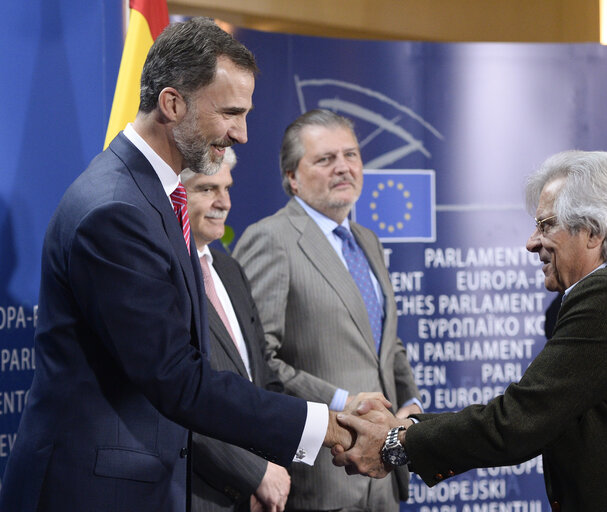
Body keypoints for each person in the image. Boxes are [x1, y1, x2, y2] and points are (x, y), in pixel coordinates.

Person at [0, 19, 355, 512]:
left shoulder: (157, 194)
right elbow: (178, 378)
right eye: (231, 112)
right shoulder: (117, 210)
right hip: (89, 492)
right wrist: (322, 424)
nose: (243, 135)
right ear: (172, 104)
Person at [333, 150, 607, 511]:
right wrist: (408, 431)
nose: (532, 242)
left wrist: (396, 442)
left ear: (593, 231)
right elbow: (538, 415)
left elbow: (517, 421)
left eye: (546, 225)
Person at [233, 109, 421, 511]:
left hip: (382, 475)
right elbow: (257, 361)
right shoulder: (271, 239)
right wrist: (340, 401)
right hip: (317, 476)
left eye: (350, 155)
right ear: (292, 178)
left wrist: (411, 405)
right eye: (325, 159)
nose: (343, 168)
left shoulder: (367, 240)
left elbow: (385, 344)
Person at [182, 148, 291, 512]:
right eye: (207, 189)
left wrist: (272, 465)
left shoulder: (230, 271)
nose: (223, 203)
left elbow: (262, 380)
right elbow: (174, 398)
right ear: (175, 193)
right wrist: (254, 473)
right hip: (195, 493)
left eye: (226, 189)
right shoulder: (162, 275)